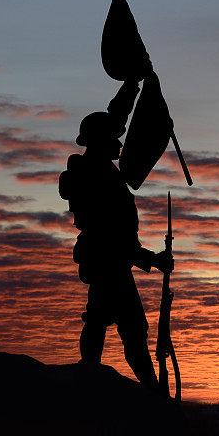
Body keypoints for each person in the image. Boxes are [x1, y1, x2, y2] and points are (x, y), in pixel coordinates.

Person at [59, 80, 172, 389]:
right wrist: (153, 259)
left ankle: (95, 376)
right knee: (130, 326)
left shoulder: (99, 170)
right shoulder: (96, 175)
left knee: (101, 318)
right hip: (108, 258)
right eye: (113, 137)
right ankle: (149, 390)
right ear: (99, 140)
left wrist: (133, 85)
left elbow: (116, 118)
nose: (120, 141)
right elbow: (114, 237)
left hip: (108, 259)